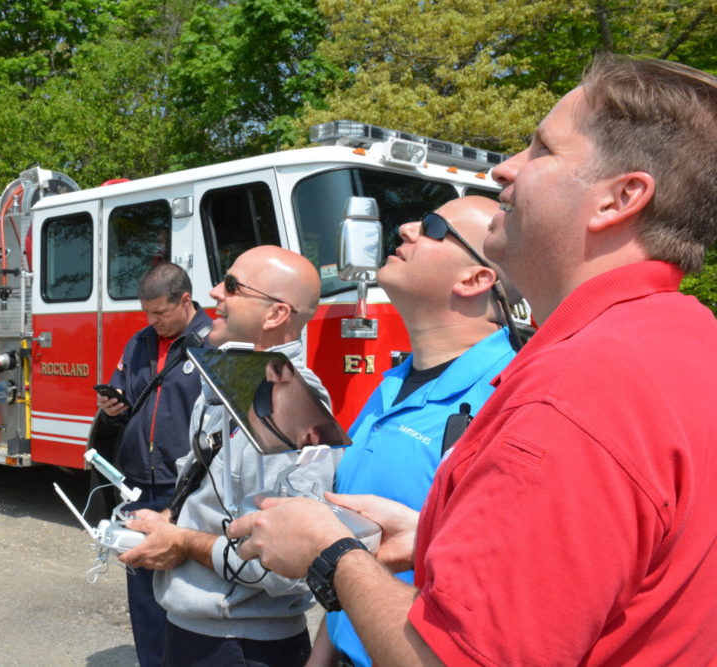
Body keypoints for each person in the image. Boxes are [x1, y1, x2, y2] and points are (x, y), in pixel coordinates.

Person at [229, 54, 717, 665]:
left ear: (620, 198)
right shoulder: (687, 338)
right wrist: (430, 539)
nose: (506, 169)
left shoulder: (576, 390)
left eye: (541, 149)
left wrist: (330, 555)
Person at [311, 196, 520, 667]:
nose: (405, 228)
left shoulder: (508, 399)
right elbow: (361, 546)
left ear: (475, 279)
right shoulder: (392, 382)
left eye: (432, 227)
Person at [119, 245, 338, 666]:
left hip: (241, 644)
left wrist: (180, 541)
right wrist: (168, 520)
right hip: (203, 631)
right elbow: (211, 497)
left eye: (233, 286)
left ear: (275, 315)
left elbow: (279, 564)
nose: (215, 291)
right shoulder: (236, 380)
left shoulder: (283, 398)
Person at [96, 262, 212, 667]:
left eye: (160, 313)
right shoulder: (140, 343)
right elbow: (127, 401)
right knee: (143, 593)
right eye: (147, 313)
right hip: (137, 484)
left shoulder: (213, 342)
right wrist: (112, 410)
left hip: (187, 486)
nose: (153, 321)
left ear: (186, 301)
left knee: (188, 590)